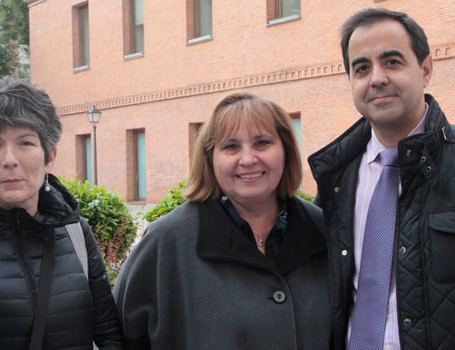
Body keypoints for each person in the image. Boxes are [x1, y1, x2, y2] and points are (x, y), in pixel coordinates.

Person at [308, 8, 455, 349]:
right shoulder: (336, 176)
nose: (376, 78)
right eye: (361, 68)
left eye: (392, 62)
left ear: (425, 69)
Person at [113, 92, 329, 349]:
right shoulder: (166, 242)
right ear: (210, 159)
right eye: (231, 146)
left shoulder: (323, 230)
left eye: (262, 143)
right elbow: (120, 338)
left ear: (286, 151)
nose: (248, 159)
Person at [0, 77, 123, 349]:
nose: (10, 160)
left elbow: (108, 332)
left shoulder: (73, 230)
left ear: (49, 155)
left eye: (25, 143)